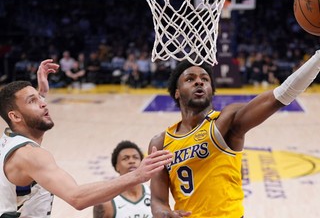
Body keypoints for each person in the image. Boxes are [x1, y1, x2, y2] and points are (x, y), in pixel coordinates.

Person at [148, 50, 320, 218]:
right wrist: (164, 213)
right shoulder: (161, 142)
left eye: (205, 79)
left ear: (211, 90)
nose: (199, 82)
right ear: (177, 92)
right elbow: (158, 200)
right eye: (190, 79)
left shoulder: (225, 122)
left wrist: (318, 58)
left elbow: (281, 95)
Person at [0, 60, 172, 218]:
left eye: (40, 98)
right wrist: (137, 175)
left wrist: (41, 93)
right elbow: (77, 197)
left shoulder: (9, 137)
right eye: (32, 101)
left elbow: (28, 117)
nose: (43, 103)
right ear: (14, 116)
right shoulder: (30, 155)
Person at [93, 140, 152, 218]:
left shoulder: (153, 194)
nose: (131, 161)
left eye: (136, 157)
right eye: (125, 158)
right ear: (116, 166)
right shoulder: (106, 203)